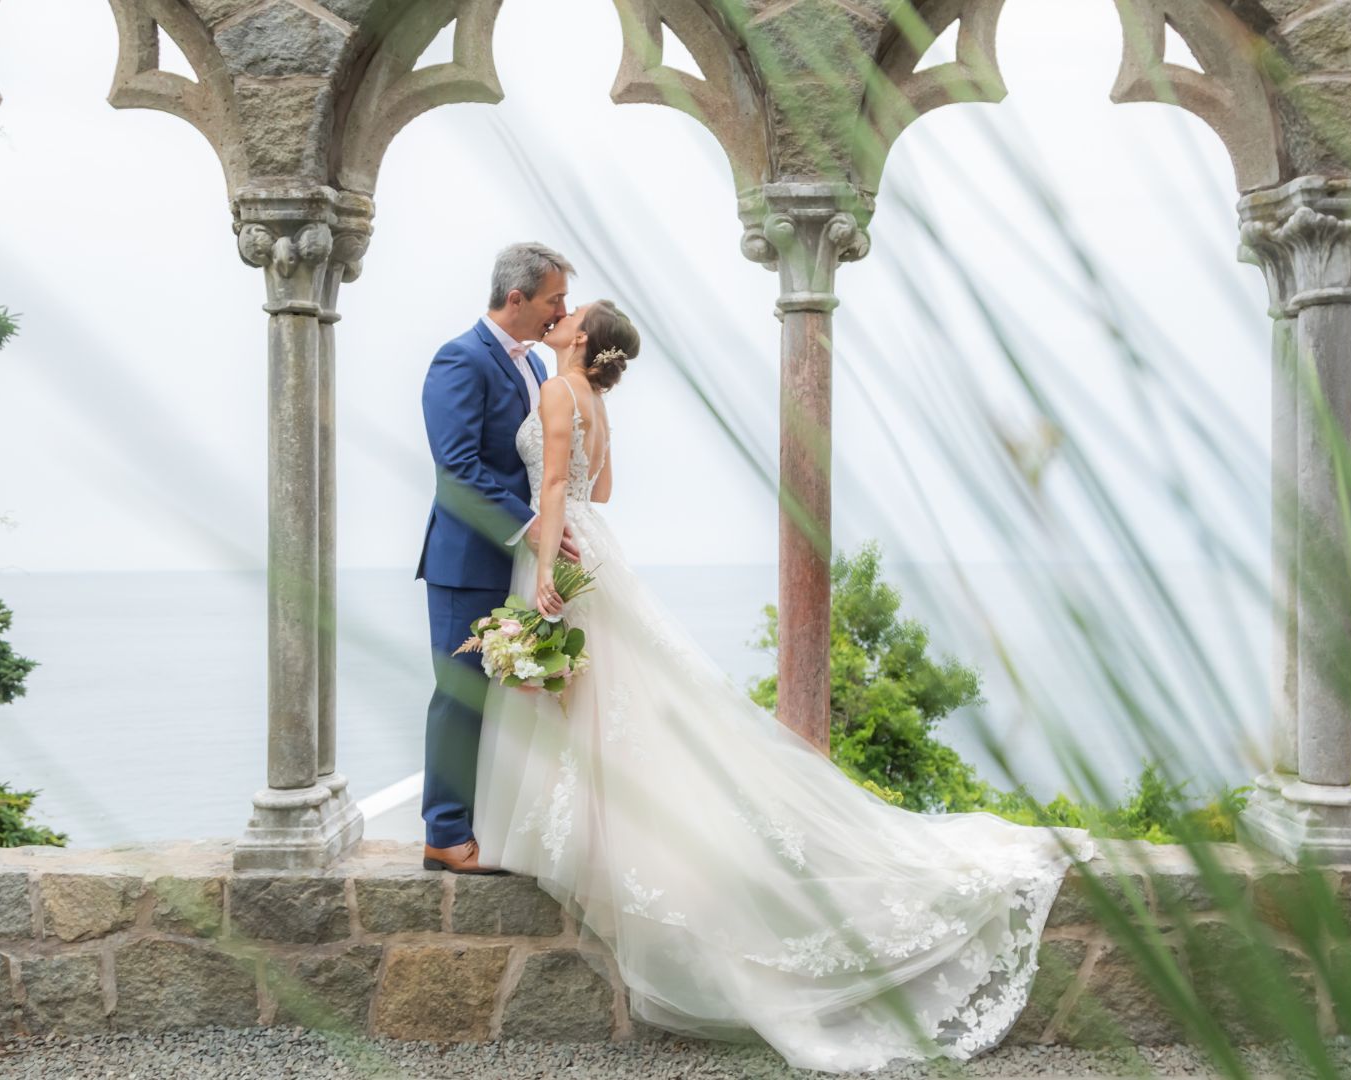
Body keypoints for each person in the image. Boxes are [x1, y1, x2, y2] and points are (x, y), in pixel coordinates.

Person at [469, 297, 1095, 1072]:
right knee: (616, 698)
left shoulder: (560, 391)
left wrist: (541, 573)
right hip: (599, 547)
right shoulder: (593, 400)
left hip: (560, 550)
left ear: (584, 342)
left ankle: (590, 842)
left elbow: (561, 486)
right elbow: (606, 494)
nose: (562, 317)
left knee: (589, 696)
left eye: (574, 315)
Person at [414, 242, 581, 875]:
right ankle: (445, 834)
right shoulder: (460, 359)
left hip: (515, 561)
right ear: (517, 299)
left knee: (510, 696)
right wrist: (532, 526)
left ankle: (492, 822)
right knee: (460, 695)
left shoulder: (537, 367)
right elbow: (456, 469)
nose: (559, 311)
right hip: (467, 561)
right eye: (553, 299)